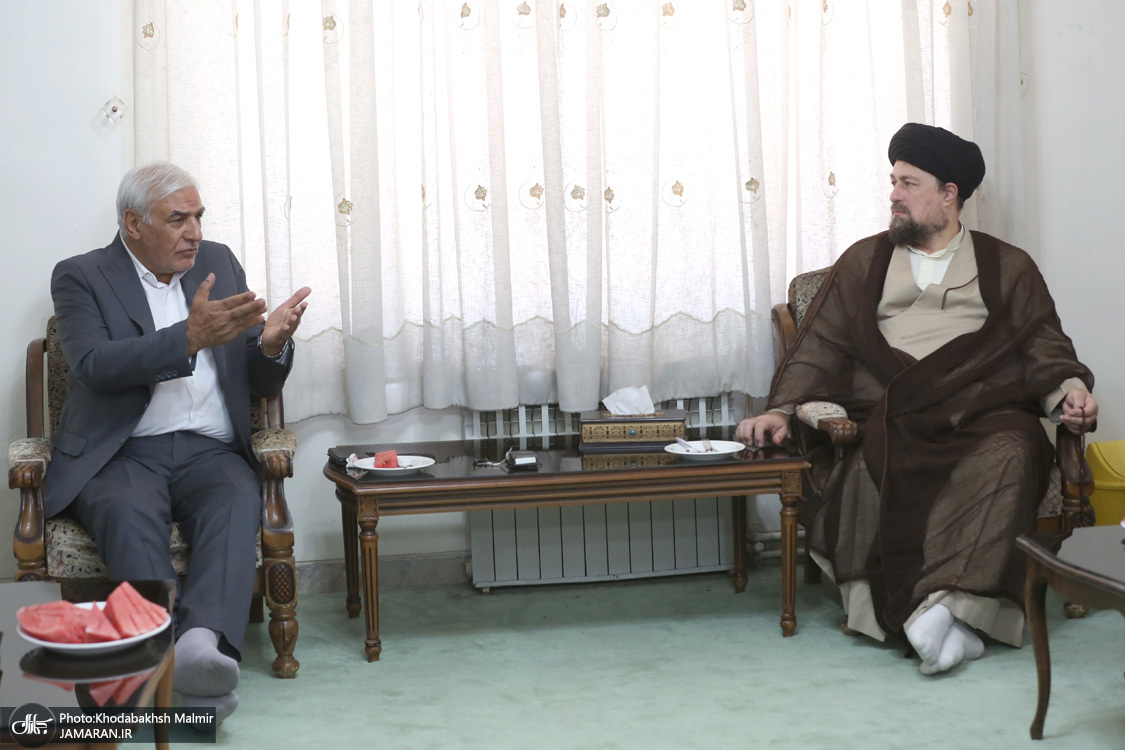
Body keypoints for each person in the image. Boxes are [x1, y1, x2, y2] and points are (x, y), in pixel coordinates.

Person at [736, 123, 1097, 675]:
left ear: (949, 194)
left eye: (908, 183)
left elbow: (1043, 347)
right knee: (870, 464)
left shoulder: (1008, 264)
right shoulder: (864, 261)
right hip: (892, 411)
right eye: (893, 182)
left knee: (1013, 452)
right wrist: (780, 409)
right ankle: (945, 622)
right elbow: (821, 344)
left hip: (984, 410)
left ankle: (949, 613)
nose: (894, 195)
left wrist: (1071, 394)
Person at [45, 162, 311, 720]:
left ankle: (201, 646)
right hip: (121, 453)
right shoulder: (81, 275)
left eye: (198, 216)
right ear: (133, 223)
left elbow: (257, 379)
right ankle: (161, 647)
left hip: (210, 450)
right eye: (177, 219)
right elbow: (93, 365)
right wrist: (186, 339)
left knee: (236, 499)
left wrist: (268, 346)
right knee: (125, 510)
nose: (194, 232)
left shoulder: (218, 262)